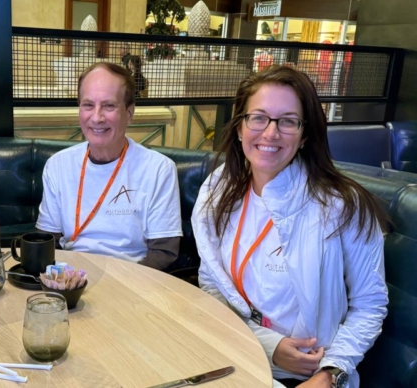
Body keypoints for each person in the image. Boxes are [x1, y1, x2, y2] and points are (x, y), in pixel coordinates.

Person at [191, 66, 388, 388]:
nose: (270, 133)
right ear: (240, 127)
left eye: (288, 121)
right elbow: (212, 282)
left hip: (310, 375)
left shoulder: (343, 205)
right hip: (233, 353)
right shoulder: (218, 189)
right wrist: (267, 346)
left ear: (305, 134)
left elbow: (370, 304)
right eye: (259, 117)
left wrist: (331, 373)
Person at [36, 63, 182, 270]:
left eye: (109, 106)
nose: (96, 117)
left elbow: (163, 253)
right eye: (88, 105)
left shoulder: (159, 169)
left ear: (129, 113)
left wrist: (120, 288)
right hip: (69, 277)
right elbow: (45, 239)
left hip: (132, 277)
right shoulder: (58, 165)